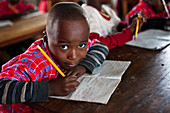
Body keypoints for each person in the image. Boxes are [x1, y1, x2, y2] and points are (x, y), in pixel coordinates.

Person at [0, 2, 109, 112]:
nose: (74, 55)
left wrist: (83, 66)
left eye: (81, 45)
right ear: (46, 39)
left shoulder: (72, 42)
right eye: (64, 46)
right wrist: (50, 88)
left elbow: (100, 46)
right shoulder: (33, 63)